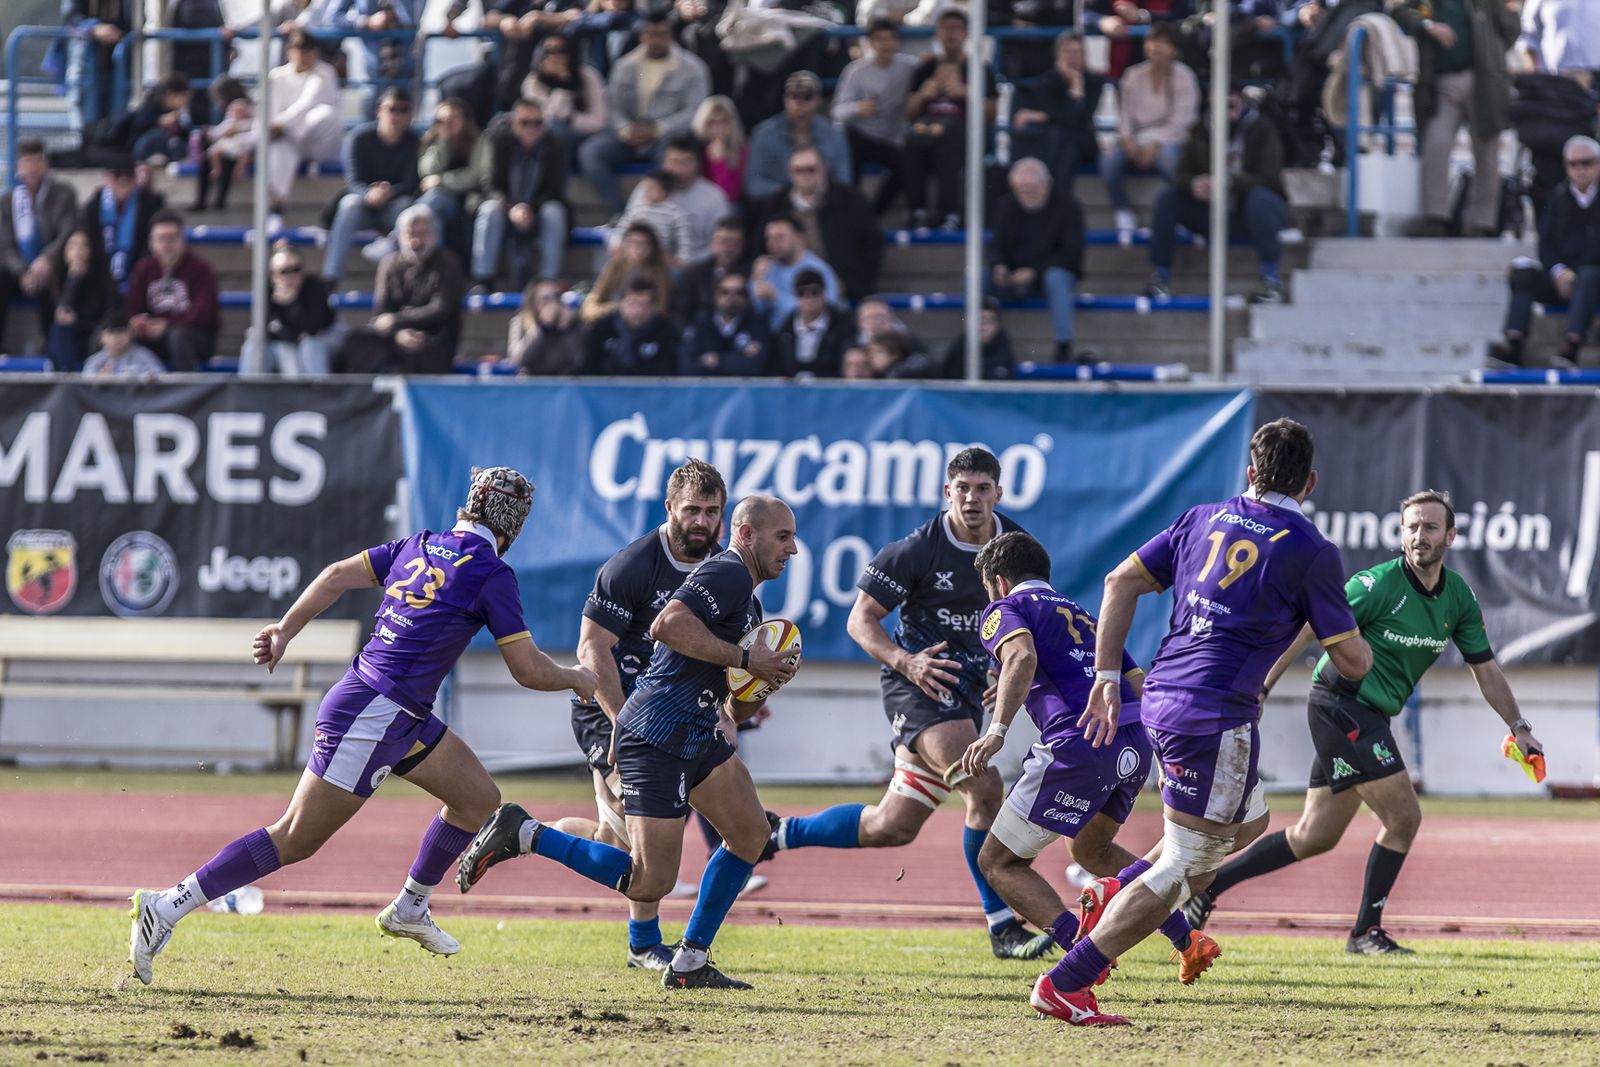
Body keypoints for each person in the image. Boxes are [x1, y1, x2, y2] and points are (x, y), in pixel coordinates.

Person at [127, 467, 599, 987]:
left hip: (393, 710)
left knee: (477, 799)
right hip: (375, 712)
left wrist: (285, 630)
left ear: (469, 506)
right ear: (514, 527)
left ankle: (410, 908)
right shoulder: (491, 572)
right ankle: (167, 905)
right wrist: (577, 677)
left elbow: (333, 575)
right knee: (295, 838)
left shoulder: (418, 544)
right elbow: (529, 670)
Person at [1034, 418, 1372, 1026]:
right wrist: (1348, 631)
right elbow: (1351, 659)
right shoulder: (1310, 549)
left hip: (1165, 694)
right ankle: (1067, 981)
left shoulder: (1201, 518)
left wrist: (1107, 680)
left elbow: (1118, 582)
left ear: (1250, 474)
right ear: (1310, 482)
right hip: (1214, 714)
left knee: (1252, 822)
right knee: (1187, 865)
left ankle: (1113, 889)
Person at [458, 494, 801, 990]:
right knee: (650, 880)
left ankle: (689, 962)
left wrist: (761, 684)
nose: (792, 549)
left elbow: (731, 690)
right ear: (746, 535)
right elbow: (668, 625)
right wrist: (749, 663)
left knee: (750, 834)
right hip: (656, 734)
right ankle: (524, 831)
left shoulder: (746, 597)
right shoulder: (726, 572)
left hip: (696, 731)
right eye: (783, 537)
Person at [1185, 490, 1546, 954]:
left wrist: (1519, 726)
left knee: (1314, 835)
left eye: (1430, 527)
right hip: (1341, 703)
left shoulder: (1457, 597)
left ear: (1450, 536)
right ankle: (1365, 932)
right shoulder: (1376, 585)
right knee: (1404, 817)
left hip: (1369, 714)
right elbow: (1310, 627)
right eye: (1412, 526)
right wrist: (1265, 685)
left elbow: (1486, 668)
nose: (1419, 536)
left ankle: (1206, 889)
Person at [767, 448, 1053, 960]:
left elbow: (1028, 619)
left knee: (892, 826)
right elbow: (860, 621)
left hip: (966, 692)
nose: (971, 498)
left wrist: (1002, 669)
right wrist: (907, 662)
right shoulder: (917, 549)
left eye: (982, 488)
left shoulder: (1016, 548)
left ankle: (779, 833)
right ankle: (1002, 925)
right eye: (962, 488)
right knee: (985, 787)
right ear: (948, 493)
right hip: (918, 688)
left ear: (998, 494)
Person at [485, 461, 733, 967]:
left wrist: (732, 702)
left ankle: (529, 833)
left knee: (614, 839)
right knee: (645, 839)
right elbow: (591, 648)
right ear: (670, 509)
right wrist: (622, 717)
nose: (702, 522)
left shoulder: (723, 568)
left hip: (676, 713)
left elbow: (720, 645)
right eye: (692, 511)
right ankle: (644, 944)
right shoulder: (633, 566)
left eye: (712, 512)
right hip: (610, 709)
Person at [958, 531, 1219, 984]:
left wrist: (996, 732)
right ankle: (1188, 939)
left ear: (999, 583)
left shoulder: (1005, 609)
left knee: (997, 862)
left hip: (1081, 741)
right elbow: (1135, 677)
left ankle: (1081, 957)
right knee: (1090, 849)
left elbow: (1019, 659)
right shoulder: (1082, 614)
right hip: (1134, 740)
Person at [1147, 87, 1289, 305]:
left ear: (1242, 103)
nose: (1225, 112)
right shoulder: (1199, 130)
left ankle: (1271, 280)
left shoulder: (1262, 128)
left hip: (1251, 211)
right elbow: (1180, 175)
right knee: (1168, 199)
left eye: (1230, 105)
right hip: (1212, 211)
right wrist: (1196, 184)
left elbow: (1270, 177)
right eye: (1218, 106)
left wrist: (1230, 182)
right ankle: (1160, 278)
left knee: (1258, 198)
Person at [1394, 0, 1519, 238]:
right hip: (1442, 83)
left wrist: (1491, 52)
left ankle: (1481, 223)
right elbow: (1400, 11)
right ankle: (1435, 217)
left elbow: (1511, 27)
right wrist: (1428, 25)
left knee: (1487, 153)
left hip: (1485, 82)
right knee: (1435, 146)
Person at [579, 11, 713, 217]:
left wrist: (658, 129)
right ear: (642, 35)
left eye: (662, 34)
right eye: (652, 34)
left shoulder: (693, 68)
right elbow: (612, 105)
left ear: (671, 36)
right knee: (591, 152)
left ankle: (660, 213)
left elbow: (695, 111)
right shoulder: (625, 65)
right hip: (628, 135)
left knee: (672, 157)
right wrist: (625, 129)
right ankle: (620, 212)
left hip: (667, 135)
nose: (657, 40)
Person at [1491, 135, 1600, 369]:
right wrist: (1558, 272)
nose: (1580, 170)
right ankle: (1514, 343)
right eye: (1574, 164)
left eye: (1587, 163)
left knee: (1590, 276)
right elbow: (1546, 243)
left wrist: (1578, 276)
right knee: (1523, 273)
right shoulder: (1558, 197)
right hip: (1562, 279)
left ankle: (1572, 345)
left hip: (1593, 279)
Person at [341, 206, 466, 374]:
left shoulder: (448, 264)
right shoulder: (389, 264)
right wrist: (397, 334)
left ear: (433, 235)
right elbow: (381, 311)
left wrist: (397, 320)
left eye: (422, 234)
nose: (416, 241)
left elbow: (439, 309)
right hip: (396, 336)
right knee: (355, 343)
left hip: (433, 338)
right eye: (410, 235)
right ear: (400, 237)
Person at [1100, 22, 1199, 234]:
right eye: (1153, 42)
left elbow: (1183, 120)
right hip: (1137, 137)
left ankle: (1181, 215)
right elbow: (1124, 115)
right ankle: (1122, 212)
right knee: (1109, 162)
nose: (1156, 48)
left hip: (1171, 138)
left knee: (1171, 161)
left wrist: (1156, 145)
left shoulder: (1184, 76)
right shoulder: (1132, 76)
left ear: (1174, 49)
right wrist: (1127, 141)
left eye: (1163, 43)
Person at [902, 9, 996, 231]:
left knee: (950, 133)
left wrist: (966, 94)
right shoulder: (924, 68)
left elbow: (992, 113)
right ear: (937, 34)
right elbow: (908, 113)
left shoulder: (979, 69)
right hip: (926, 133)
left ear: (966, 34)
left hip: (965, 136)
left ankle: (949, 214)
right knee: (911, 137)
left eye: (956, 29)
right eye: (946, 29)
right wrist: (923, 95)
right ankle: (917, 211)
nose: (951, 34)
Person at [755, 146, 883, 303]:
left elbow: (872, 243)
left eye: (811, 169)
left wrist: (854, 282)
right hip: (787, 287)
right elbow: (761, 244)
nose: (805, 175)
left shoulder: (850, 200)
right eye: (799, 170)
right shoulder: (775, 204)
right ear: (790, 173)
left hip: (843, 289)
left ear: (823, 169)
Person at [323, 88, 421, 286]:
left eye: (403, 110)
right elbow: (353, 181)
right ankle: (330, 278)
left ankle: (405, 281)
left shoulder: (416, 142)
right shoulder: (359, 138)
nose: (397, 115)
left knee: (407, 207)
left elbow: (412, 183)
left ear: (411, 115)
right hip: (364, 206)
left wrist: (390, 192)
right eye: (392, 109)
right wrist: (369, 194)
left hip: (395, 208)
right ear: (379, 111)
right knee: (349, 204)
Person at [991, 157, 1086, 362]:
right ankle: (982, 341)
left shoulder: (1069, 207)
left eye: (1031, 190)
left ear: (1045, 185)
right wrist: (999, 267)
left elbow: (1071, 254)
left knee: (1056, 278)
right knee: (974, 278)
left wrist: (1035, 272)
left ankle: (1063, 345)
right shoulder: (1006, 206)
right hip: (1012, 274)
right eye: (1021, 191)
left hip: (1050, 273)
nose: (1026, 196)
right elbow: (996, 247)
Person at [472, 98, 571, 292]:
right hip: (505, 207)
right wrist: (511, 207)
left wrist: (529, 208)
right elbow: (489, 185)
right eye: (525, 122)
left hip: (537, 209)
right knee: (489, 209)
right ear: (513, 123)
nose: (531, 128)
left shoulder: (555, 145)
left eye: (537, 122)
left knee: (555, 211)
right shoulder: (498, 141)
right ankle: (483, 279)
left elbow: (555, 189)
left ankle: (548, 280)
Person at [832, 18, 920, 215]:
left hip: (893, 140)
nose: (886, 44)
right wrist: (857, 108)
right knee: (846, 140)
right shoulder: (855, 71)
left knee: (910, 162)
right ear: (871, 43)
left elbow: (929, 70)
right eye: (879, 39)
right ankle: (851, 211)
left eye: (890, 39)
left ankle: (873, 213)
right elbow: (837, 111)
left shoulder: (910, 66)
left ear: (897, 42)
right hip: (861, 136)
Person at [0, 139, 79, 353]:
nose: (32, 168)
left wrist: (46, 259)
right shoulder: (7, 201)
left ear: (45, 164)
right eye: (27, 162)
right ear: (18, 167)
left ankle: (52, 348)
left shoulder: (64, 194)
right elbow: (5, 244)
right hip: (19, 270)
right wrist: (22, 271)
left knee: (54, 276)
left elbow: (67, 231)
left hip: (51, 265)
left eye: (36, 162)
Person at [259, 30, 344, 227]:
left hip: (320, 144)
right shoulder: (277, 76)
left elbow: (307, 103)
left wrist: (281, 125)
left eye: (309, 51)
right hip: (289, 141)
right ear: (290, 52)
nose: (305, 56)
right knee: (281, 144)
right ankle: (276, 208)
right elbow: (270, 114)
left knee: (324, 115)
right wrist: (276, 128)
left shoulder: (324, 72)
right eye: (300, 50)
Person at [124, 210, 220, 371]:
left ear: (183, 240)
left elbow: (204, 314)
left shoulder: (201, 269)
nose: (166, 244)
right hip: (153, 335)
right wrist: (140, 323)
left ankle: (186, 394)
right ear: (151, 242)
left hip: (194, 337)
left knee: (178, 336)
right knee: (116, 334)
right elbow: (133, 307)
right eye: (161, 238)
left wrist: (168, 326)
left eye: (172, 238)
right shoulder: (143, 269)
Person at [1011, 31, 1106, 192]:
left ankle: (1049, 196)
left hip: (1084, 143)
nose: (1073, 58)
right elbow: (1066, 118)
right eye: (1069, 52)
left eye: (1078, 53)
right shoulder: (1046, 82)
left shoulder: (1094, 82)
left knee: (1057, 135)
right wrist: (1071, 100)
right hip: (1062, 145)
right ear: (1058, 55)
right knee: (1066, 149)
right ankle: (1059, 199)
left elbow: (1081, 119)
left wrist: (1076, 89)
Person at [745, 71, 853, 202]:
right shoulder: (763, 134)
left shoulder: (834, 134)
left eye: (807, 97)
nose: (800, 104)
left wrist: (815, 194)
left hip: (824, 204)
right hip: (778, 204)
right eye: (794, 96)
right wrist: (794, 194)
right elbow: (753, 185)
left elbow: (844, 182)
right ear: (785, 99)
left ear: (818, 100)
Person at [241, 243, 339, 376]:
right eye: (284, 271)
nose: (291, 275)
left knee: (309, 346)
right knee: (253, 345)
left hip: (315, 344)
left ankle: (319, 393)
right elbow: (261, 328)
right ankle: (247, 392)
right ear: (273, 275)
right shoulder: (265, 291)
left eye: (296, 269)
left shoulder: (314, 287)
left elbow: (312, 328)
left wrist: (291, 304)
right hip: (279, 348)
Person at [633, 135, 730, 264]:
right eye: (673, 161)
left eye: (685, 162)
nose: (678, 168)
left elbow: (718, 244)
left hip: (694, 264)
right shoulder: (646, 188)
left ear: (697, 163)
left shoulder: (714, 196)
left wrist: (684, 262)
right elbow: (631, 221)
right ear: (664, 162)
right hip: (647, 260)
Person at [81, 161, 166, 293]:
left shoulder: (151, 203)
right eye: (117, 174)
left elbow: (150, 247)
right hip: (100, 278)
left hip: (139, 278)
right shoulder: (95, 205)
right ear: (107, 178)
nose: (123, 179)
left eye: (129, 175)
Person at [521, 35, 608, 160]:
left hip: (587, 135)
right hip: (549, 135)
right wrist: (563, 87)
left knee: (558, 131)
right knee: (553, 129)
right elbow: (546, 119)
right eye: (548, 51)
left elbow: (599, 122)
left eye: (561, 51)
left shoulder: (588, 76)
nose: (554, 57)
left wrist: (570, 119)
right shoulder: (532, 82)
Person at [750, 214, 841, 330]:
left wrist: (777, 297)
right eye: (769, 238)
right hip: (772, 337)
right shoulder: (767, 268)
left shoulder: (818, 270)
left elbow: (825, 313)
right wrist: (757, 279)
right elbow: (756, 311)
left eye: (780, 237)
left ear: (799, 238)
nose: (773, 243)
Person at [335, 0, 424, 118]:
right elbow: (333, 17)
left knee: (406, 122)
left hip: (407, 68)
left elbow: (414, 18)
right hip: (372, 69)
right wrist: (366, 21)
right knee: (369, 120)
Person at [416, 98, 483, 244]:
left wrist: (442, 180)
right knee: (434, 213)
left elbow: (475, 176)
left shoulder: (478, 142)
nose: (448, 123)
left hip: (466, 201)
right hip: (439, 201)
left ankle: (394, 239)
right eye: (442, 120)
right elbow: (426, 172)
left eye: (454, 118)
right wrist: (443, 142)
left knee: (435, 198)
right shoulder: (432, 142)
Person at [46, 227, 114, 371]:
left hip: (96, 338)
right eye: (73, 246)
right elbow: (62, 313)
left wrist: (78, 322)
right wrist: (73, 280)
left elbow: (110, 317)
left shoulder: (105, 280)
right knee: (60, 328)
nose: (78, 251)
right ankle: (66, 377)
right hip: (69, 339)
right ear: (64, 251)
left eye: (84, 245)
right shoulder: (57, 279)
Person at [582, 276, 680, 375]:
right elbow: (588, 366)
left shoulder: (667, 333)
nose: (637, 310)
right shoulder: (601, 328)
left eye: (644, 304)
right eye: (632, 303)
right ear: (621, 304)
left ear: (654, 307)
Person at [680, 270, 771, 375]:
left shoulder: (757, 325)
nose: (732, 298)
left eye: (739, 293)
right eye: (725, 292)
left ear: (746, 298)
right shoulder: (700, 323)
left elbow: (756, 367)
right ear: (715, 296)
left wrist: (716, 361)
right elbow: (686, 366)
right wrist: (738, 359)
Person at [581, 224, 674, 324]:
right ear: (624, 245)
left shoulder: (660, 272)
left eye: (643, 243)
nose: (637, 247)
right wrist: (615, 310)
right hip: (612, 319)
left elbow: (662, 309)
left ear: (652, 247)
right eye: (633, 242)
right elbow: (593, 301)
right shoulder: (615, 267)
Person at [772, 268, 852, 377]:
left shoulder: (843, 326)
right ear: (795, 297)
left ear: (824, 293)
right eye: (801, 293)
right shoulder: (785, 329)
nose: (808, 298)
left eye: (814, 292)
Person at [675, 216, 750, 324]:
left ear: (742, 245)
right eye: (723, 241)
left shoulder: (750, 273)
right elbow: (681, 311)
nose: (728, 247)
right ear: (713, 243)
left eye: (734, 242)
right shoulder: (695, 273)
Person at [504, 278, 584, 374]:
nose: (553, 304)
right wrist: (542, 327)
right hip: (532, 381)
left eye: (556, 297)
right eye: (546, 299)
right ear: (534, 303)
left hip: (564, 381)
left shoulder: (571, 323)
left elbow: (579, 360)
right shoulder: (521, 321)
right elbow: (517, 360)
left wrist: (568, 329)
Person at [616, 172, 694, 266]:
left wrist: (682, 258)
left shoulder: (676, 213)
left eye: (651, 188)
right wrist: (617, 244)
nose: (646, 191)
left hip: (660, 256)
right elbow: (623, 226)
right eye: (645, 188)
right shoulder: (637, 209)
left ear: (665, 191)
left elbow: (684, 238)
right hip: (633, 252)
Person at [126, 73, 195, 165]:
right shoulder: (151, 106)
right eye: (183, 97)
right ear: (171, 95)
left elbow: (186, 135)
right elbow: (139, 125)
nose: (185, 101)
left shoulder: (180, 111)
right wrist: (160, 121)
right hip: (144, 150)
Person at [692, 96, 749, 204]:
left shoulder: (742, 150)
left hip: (726, 205)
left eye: (723, 122)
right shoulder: (694, 148)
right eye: (711, 123)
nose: (718, 129)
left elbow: (729, 195)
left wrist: (719, 163)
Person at [83, 310, 165, 377]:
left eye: (121, 332)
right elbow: (84, 386)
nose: (116, 337)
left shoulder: (144, 356)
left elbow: (162, 378)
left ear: (130, 334)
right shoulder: (95, 361)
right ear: (102, 337)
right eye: (111, 332)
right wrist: (98, 379)